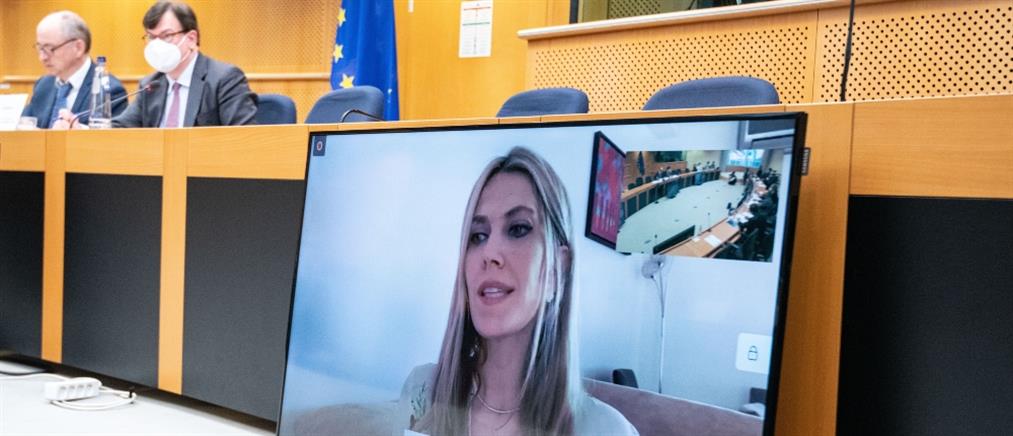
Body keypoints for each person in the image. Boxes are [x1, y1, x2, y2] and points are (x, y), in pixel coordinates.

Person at [401, 147, 637, 435]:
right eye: (478, 236)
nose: (489, 253)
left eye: (518, 229)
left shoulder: (606, 430)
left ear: (557, 270)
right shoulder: (422, 392)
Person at [110, 1, 256, 128]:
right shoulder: (150, 85)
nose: (157, 45)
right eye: (151, 37)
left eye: (166, 35)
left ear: (191, 39)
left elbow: (243, 137)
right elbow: (122, 128)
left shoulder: (225, 79)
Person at [22, 11, 127, 129]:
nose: (42, 57)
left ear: (78, 47)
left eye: (50, 48)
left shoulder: (108, 89)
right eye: (40, 48)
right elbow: (25, 124)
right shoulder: (44, 85)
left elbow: (110, 137)